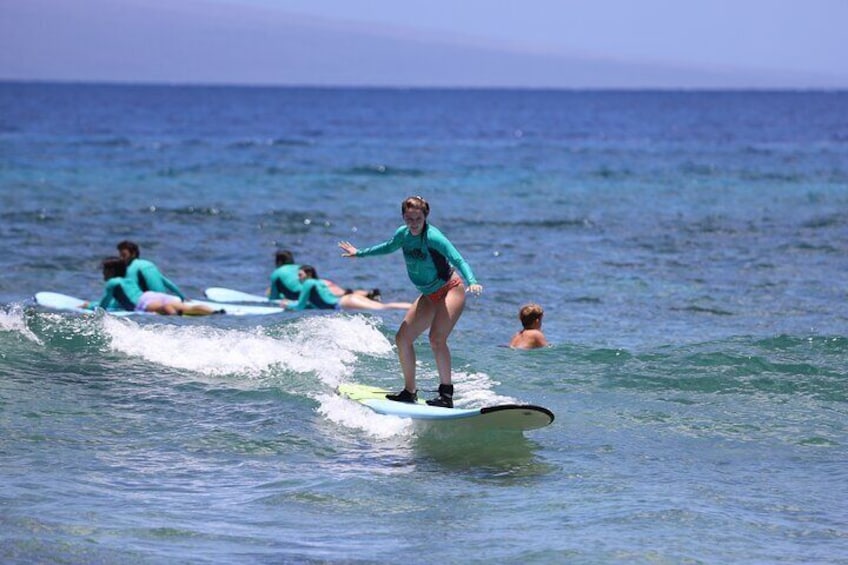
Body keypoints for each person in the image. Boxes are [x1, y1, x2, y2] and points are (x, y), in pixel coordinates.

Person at [339, 195, 483, 408]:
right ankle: (409, 391)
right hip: (428, 295)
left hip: (450, 290)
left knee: (436, 339)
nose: (413, 223)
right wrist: (359, 254)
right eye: (409, 218)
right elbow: (388, 247)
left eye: (417, 218)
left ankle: (446, 396)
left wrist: (472, 281)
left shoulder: (434, 237)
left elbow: (458, 259)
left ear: (425, 216)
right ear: (403, 217)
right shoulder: (403, 234)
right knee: (402, 338)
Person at [81, 257, 220, 315]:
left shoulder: (113, 283)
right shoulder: (127, 280)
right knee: (185, 307)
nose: (103, 273)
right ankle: (211, 311)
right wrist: (181, 296)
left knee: (164, 308)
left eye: (104, 270)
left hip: (142, 302)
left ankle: (172, 314)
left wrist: (89, 307)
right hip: (150, 295)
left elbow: (104, 305)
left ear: (111, 271)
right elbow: (118, 303)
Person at [279, 265, 412, 311]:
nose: (298, 278)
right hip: (348, 299)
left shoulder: (308, 283)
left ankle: (413, 307)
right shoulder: (320, 282)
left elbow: (300, 306)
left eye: (300, 275)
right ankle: (412, 306)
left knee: (383, 307)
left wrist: (288, 305)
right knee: (383, 306)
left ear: (308, 274)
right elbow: (316, 304)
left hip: (345, 302)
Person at [269, 249, 381, 303]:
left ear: (278, 262)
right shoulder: (300, 267)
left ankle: (367, 297)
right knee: (344, 293)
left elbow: (274, 297)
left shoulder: (277, 272)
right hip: (322, 282)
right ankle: (368, 294)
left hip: (307, 289)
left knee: (340, 298)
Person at [117, 240, 187, 301]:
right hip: (165, 300)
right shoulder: (149, 264)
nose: (121, 258)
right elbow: (168, 283)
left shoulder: (131, 268)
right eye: (120, 255)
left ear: (133, 254)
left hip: (152, 304)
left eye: (123, 255)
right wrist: (183, 298)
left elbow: (130, 290)